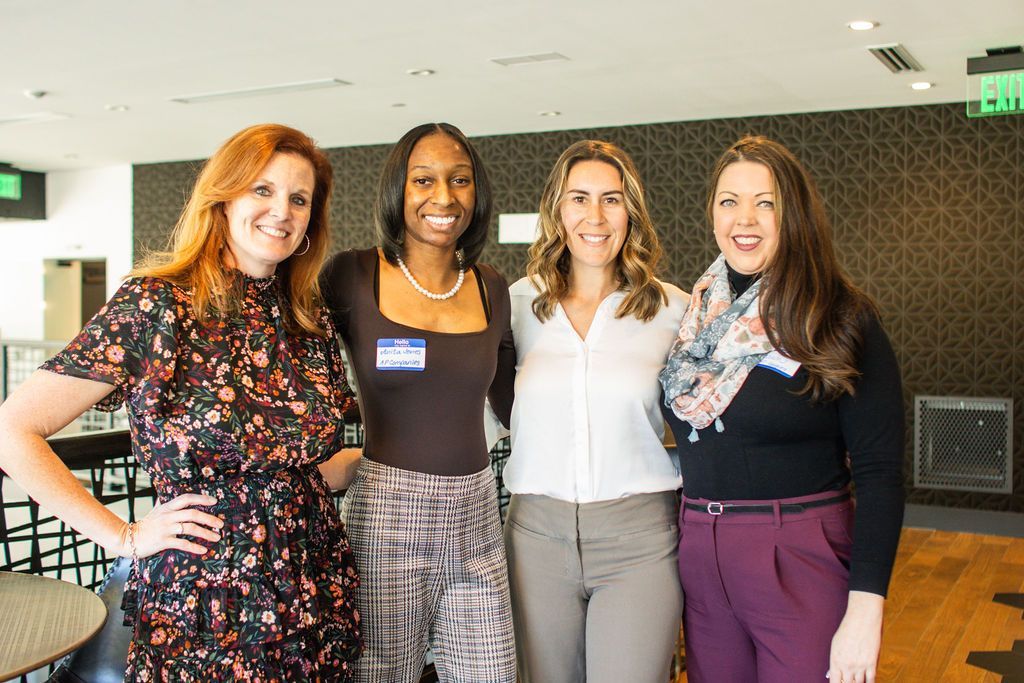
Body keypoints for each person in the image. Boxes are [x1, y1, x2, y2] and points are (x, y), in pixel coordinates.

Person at [0, 124, 362, 681]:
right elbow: (12, 430)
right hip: (204, 600)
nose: (281, 211)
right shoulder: (158, 304)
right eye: (261, 190)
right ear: (223, 198)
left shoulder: (307, 321)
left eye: (299, 199)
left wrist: (399, 459)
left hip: (313, 583)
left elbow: (302, 471)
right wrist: (122, 535)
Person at [659, 135, 904, 683]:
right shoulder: (693, 315)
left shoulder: (838, 315)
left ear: (792, 212)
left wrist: (867, 608)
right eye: (729, 201)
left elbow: (881, 475)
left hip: (799, 554)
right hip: (700, 552)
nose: (744, 218)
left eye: (765, 202)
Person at [319, 122, 516, 683]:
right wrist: (333, 457)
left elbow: (513, 402)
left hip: (477, 510)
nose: (443, 197)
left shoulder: (490, 286)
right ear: (397, 192)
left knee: (491, 671)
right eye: (423, 180)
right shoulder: (353, 275)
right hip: (388, 514)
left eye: (460, 180)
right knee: (380, 673)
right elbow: (290, 369)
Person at [498, 140, 688, 682]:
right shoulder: (512, 307)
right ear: (558, 209)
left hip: (640, 542)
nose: (596, 216)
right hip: (534, 538)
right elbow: (477, 414)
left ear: (632, 212)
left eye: (612, 199)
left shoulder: (673, 309)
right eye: (579, 198)